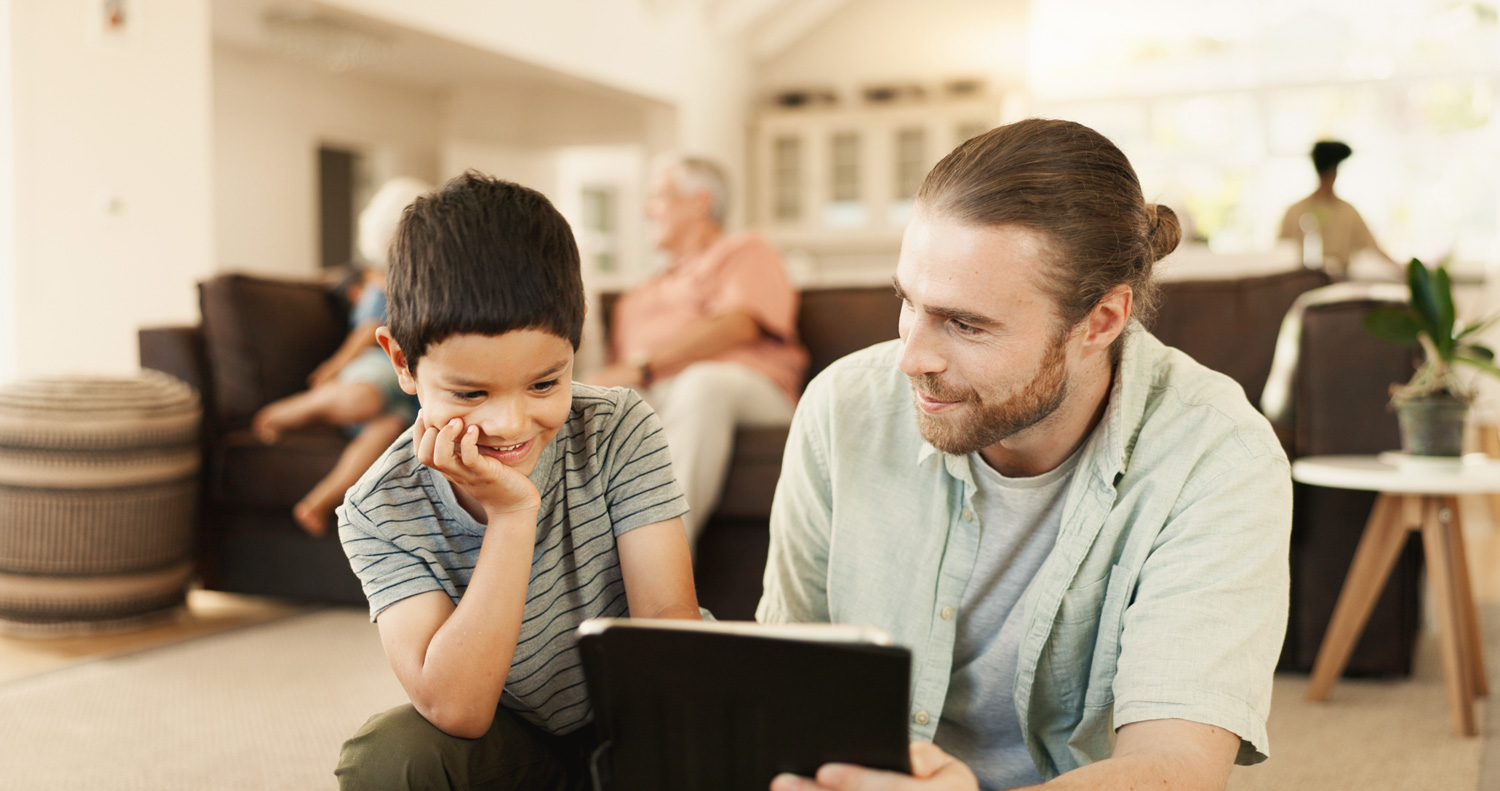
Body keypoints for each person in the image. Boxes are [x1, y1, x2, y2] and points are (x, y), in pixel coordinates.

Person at [759, 119, 1292, 791]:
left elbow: (1177, 767)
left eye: (965, 323)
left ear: (1100, 321)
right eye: (908, 303)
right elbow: (784, 681)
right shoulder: (843, 408)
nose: (912, 358)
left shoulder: (1218, 456)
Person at [333, 172, 701, 791]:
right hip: (518, 745)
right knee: (388, 758)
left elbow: (666, 625)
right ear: (402, 361)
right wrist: (510, 517)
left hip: (647, 719)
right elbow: (457, 710)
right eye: (470, 392)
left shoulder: (617, 427)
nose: (509, 423)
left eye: (544, 384)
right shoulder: (378, 511)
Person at [586, 155, 808, 547]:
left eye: (658, 196)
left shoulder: (744, 249)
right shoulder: (640, 294)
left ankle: (664, 561)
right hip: (659, 392)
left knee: (702, 384)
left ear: (699, 202)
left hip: (748, 388)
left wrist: (645, 366)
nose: (645, 209)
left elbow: (739, 323)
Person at [251, 177, 430, 536]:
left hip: (411, 388)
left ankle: (321, 499)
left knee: (390, 434)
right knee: (363, 399)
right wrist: (334, 368)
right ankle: (289, 411)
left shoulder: (427, 284)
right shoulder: (379, 284)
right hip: (376, 366)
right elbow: (365, 333)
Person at [1278, 140, 1398, 279]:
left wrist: (1400, 269)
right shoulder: (1296, 212)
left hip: (1338, 282)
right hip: (1303, 282)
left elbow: (1372, 247)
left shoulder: (1348, 212)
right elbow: (1282, 254)